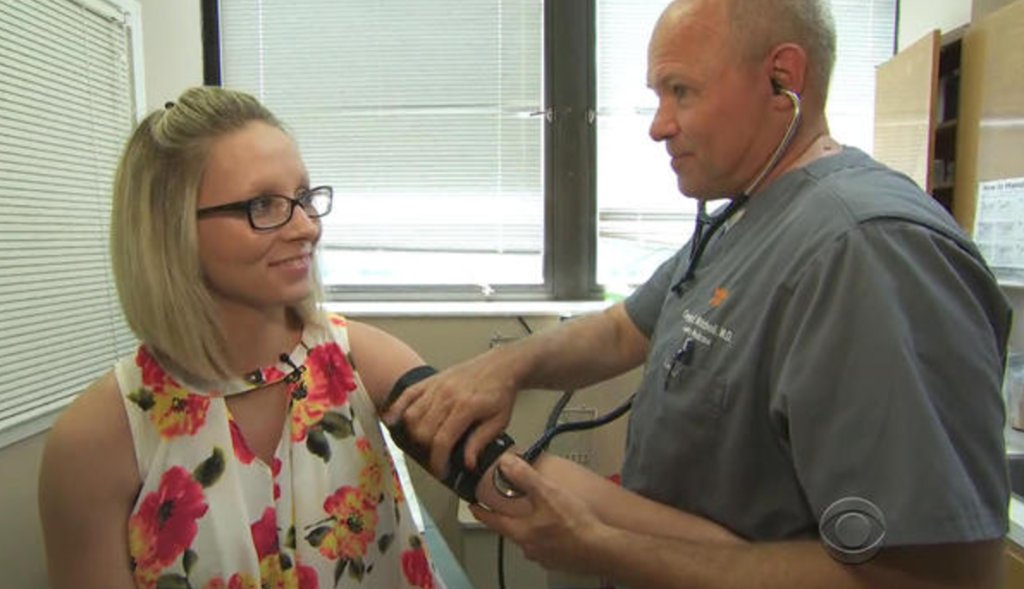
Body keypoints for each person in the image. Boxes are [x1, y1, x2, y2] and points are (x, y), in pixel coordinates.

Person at [384, 0, 1013, 587]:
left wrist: (603, 547)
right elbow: (625, 328)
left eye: (681, 91)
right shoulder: (750, 213)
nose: (659, 127)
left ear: (782, 80)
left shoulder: (868, 251)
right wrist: (507, 367)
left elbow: (936, 574)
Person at [37, 86, 738, 589]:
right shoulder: (98, 442)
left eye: (304, 197)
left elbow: (517, 478)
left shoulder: (355, 361)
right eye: (263, 205)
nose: (306, 226)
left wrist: (741, 556)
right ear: (170, 231)